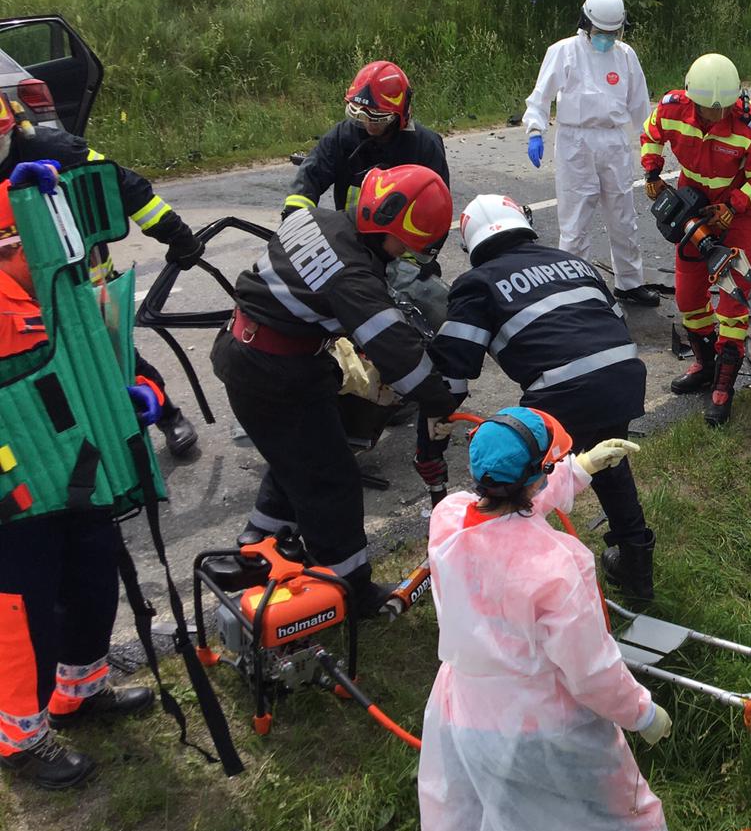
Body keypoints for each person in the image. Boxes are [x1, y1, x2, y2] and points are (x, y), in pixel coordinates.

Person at [419, 407, 676, 831]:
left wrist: (580, 469)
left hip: (465, 716)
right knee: (621, 825)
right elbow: (592, 672)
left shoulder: (448, 518)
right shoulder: (555, 567)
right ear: (538, 477)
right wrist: (642, 713)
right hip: (542, 728)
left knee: (491, 816)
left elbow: (510, 507)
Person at [212, 164, 458, 616]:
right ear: (390, 229)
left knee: (296, 459)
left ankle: (258, 548)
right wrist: (440, 397)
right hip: (275, 373)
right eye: (407, 246)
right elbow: (400, 357)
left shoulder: (317, 219)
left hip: (247, 350)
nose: (406, 254)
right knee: (332, 480)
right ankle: (350, 588)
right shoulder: (352, 276)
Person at [0, 171, 158, 791]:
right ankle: (19, 739)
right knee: (23, 615)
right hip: (15, 498)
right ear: (14, 246)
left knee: (92, 580)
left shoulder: (59, 290)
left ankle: (80, 691)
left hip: (81, 473)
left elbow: (105, 353)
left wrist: (138, 392)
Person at [426, 194, 658, 603]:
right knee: (608, 463)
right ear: (524, 221)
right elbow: (615, 321)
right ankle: (636, 567)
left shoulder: (476, 284)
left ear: (470, 244)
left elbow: (452, 374)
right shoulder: (573, 262)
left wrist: (432, 438)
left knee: (517, 480)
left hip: (562, 390)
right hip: (622, 375)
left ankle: (520, 576)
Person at [0, 100, 204, 458]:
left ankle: (168, 415)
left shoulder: (54, 149)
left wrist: (176, 234)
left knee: (114, 353)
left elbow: (121, 186)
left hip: (82, 281)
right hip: (12, 303)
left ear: (11, 130)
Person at [640, 53, 751, 425]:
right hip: (692, 206)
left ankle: (723, 385)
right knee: (688, 296)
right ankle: (705, 364)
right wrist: (652, 172)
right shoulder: (672, 108)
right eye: (708, 110)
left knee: (733, 301)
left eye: (724, 109)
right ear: (691, 99)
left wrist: (733, 205)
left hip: (738, 216)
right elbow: (651, 134)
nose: (717, 116)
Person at [522, 0, 657, 307]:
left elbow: (640, 104)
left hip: (614, 140)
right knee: (575, 220)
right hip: (576, 142)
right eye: (601, 33)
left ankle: (629, 283)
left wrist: (652, 142)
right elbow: (541, 96)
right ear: (585, 24)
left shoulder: (625, 56)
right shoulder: (564, 52)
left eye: (613, 33)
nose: (607, 39)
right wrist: (535, 130)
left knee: (623, 216)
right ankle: (572, 287)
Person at [281, 60, 450, 218]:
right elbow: (311, 174)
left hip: (401, 238)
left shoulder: (425, 146)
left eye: (377, 117)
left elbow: (437, 210)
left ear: (400, 116)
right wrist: (294, 215)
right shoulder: (343, 136)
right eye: (360, 114)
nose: (368, 123)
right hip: (349, 235)